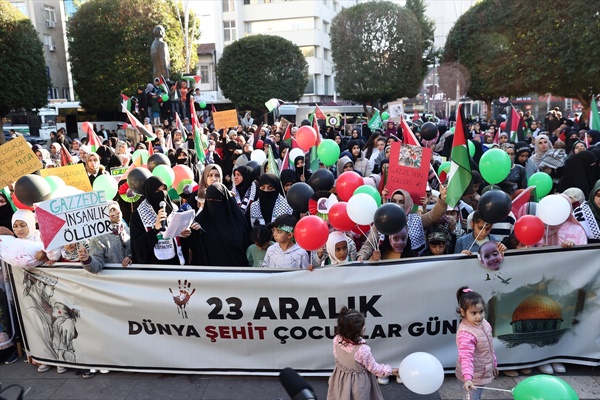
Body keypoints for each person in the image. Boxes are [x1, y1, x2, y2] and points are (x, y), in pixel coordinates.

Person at [327, 306, 399, 400]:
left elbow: (336, 355)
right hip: (358, 384)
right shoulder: (362, 350)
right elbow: (374, 368)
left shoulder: (337, 339)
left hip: (341, 379)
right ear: (358, 331)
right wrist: (391, 370)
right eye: (363, 325)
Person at [130, 176, 190, 265]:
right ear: (149, 193)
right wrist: (155, 229)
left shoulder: (174, 209)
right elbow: (137, 247)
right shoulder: (138, 215)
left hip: (174, 264)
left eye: (164, 190)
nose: (162, 193)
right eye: (157, 191)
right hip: (152, 267)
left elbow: (178, 238)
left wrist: (182, 233)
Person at [187, 183, 250, 266]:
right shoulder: (201, 219)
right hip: (207, 273)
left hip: (233, 272)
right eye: (209, 200)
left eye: (217, 200)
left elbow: (245, 246)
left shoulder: (238, 221)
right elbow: (192, 246)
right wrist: (193, 232)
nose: (213, 204)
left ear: (225, 200)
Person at [455, 287, 498, 400]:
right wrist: (468, 378)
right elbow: (466, 358)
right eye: (474, 313)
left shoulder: (484, 324)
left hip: (481, 373)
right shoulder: (466, 334)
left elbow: (489, 347)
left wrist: (494, 364)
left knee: (476, 397)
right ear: (463, 312)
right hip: (471, 378)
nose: (479, 316)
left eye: (481, 311)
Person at [78, 202, 132, 274]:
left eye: (118, 209)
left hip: (133, 280)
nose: (118, 212)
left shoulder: (129, 231)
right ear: (103, 215)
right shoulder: (98, 238)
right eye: (112, 210)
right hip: (114, 281)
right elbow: (96, 267)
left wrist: (131, 257)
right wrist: (87, 260)